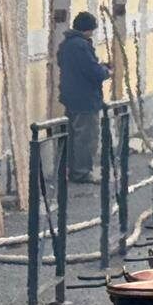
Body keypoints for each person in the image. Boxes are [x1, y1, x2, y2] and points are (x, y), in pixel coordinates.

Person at [57, 11, 111, 183]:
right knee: (86, 137)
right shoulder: (81, 46)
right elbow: (92, 71)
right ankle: (82, 172)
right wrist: (105, 71)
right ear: (88, 29)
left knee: (74, 135)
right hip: (85, 98)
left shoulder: (66, 44)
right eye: (92, 30)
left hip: (71, 95)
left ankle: (73, 169)